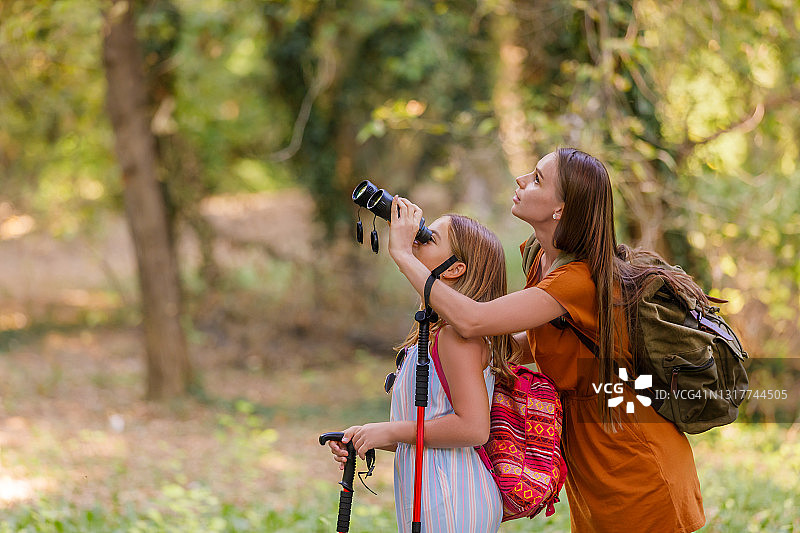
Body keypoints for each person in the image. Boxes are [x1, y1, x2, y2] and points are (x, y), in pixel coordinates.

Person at [385, 148, 706, 533]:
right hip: (587, 446)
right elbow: (523, 344)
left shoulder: (578, 279)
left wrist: (404, 255)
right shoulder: (542, 262)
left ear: (561, 209)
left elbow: (473, 321)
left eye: (537, 178)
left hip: (630, 449)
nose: (521, 180)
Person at [328, 213, 520, 532]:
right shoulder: (434, 334)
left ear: (456, 268)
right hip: (435, 491)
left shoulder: (457, 338)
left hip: (452, 495)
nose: (418, 239)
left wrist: (392, 431)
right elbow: (427, 428)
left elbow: (473, 428)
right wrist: (369, 435)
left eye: (431, 237)